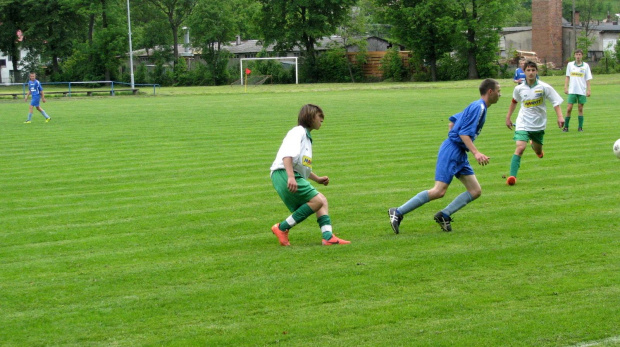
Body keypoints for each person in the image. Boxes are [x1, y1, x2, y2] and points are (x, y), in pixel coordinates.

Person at [388, 79, 502, 233]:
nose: (500, 94)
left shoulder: (478, 106)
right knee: (439, 191)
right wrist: (476, 152)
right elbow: (462, 132)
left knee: (475, 190)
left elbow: (453, 121)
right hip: (453, 150)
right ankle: (398, 211)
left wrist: (454, 137)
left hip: (459, 152)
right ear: (490, 91)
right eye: (498, 91)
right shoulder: (479, 107)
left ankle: (444, 215)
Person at [269, 104, 350, 246]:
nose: (322, 120)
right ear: (310, 116)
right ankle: (281, 228)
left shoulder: (306, 136)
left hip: (288, 173)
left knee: (322, 200)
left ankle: (328, 236)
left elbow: (301, 166)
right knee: (317, 201)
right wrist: (291, 177)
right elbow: (287, 156)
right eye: (320, 116)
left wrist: (317, 179)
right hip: (283, 173)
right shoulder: (298, 132)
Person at [505, 61, 564, 186]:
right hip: (523, 122)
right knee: (520, 147)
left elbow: (555, 102)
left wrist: (560, 117)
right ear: (524, 72)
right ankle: (512, 176)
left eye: (533, 70)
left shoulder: (544, 87)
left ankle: (536, 148)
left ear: (536, 71)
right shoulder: (519, 88)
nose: (531, 73)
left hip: (538, 124)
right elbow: (514, 101)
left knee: (538, 152)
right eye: (528, 70)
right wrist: (508, 117)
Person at [563, 49, 592, 132]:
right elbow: (567, 76)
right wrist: (565, 87)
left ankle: (580, 127)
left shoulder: (586, 66)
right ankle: (566, 127)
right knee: (569, 108)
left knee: (580, 108)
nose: (578, 56)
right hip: (572, 90)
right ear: (574, 55)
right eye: (576, 54)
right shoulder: (570, 65)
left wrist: (589, 90)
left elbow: (587, 79)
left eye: (579, 54)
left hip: (581, 90)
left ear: (582, 56)